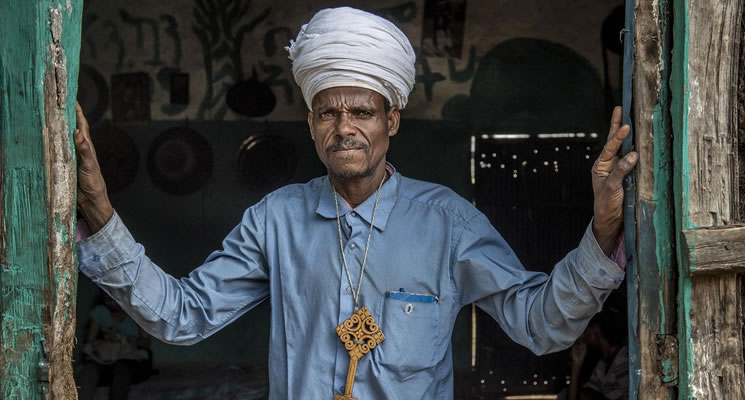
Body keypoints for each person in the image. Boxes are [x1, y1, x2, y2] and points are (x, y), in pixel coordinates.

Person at [74, 7, 638, 399]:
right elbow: (182, 316)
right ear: (311, 122)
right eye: (328, 112)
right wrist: (99, 212)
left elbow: (540, 324)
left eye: (362, 112)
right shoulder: (276, 220)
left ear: (391, 119)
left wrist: (603, 230)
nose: (345, 128)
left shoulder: (447, 222)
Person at [76, 293, 153, 400]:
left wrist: (125, 339)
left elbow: (146, 342)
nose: (111, 301)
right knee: (88, 372)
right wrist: (108, 339)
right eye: (108, 298)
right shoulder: (100, 311)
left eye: (114, 298)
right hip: (104, 357)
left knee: (121, 373)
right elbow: (90, 342)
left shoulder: (136, 313)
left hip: (127, 358)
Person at [564, 311, 628, 400]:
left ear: (595, 330)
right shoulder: (602, 365)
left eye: (586, 329)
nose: (583, 335)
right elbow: (579, 396)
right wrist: (576, 364)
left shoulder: (622, 359)